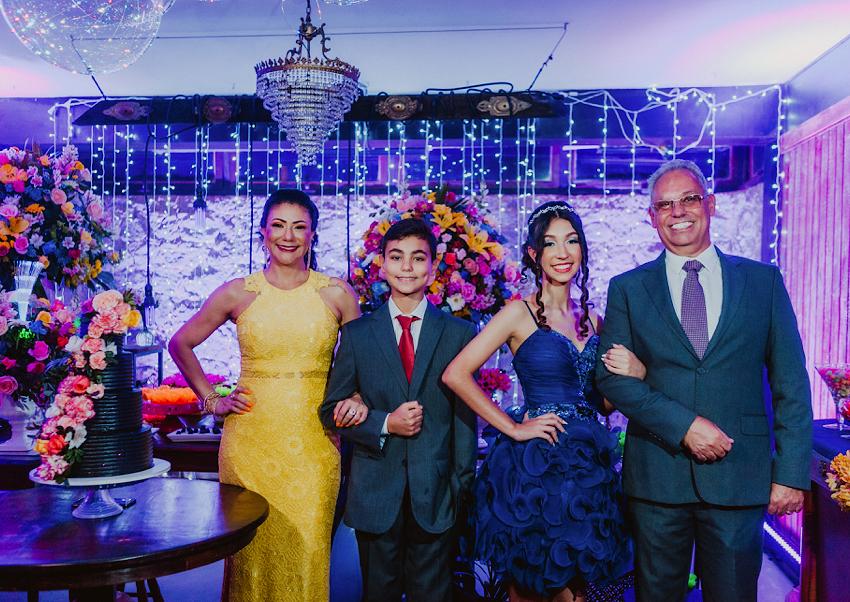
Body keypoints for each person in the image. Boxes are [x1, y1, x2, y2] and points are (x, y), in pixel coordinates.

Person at [595, 159, 813, 602]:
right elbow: (612, 380)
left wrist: (791, 474)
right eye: (664, 205)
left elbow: (791, 384)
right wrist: (685, 426)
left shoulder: (763, 282)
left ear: (710, 204)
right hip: (658, 478)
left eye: (689, 199)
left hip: (739, 475)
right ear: (652, 216)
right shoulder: (628, 289)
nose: (677, 212)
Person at [168, 189, 362, 602]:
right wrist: (212, 400)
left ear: (312, 235)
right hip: (250, 445)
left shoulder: (337, 294)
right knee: (249, 555)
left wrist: (354, 401)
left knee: (308, 552)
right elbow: (180, 343)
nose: (288, 236)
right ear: (262, 232)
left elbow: (360, 366)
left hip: (314, 444)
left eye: (299, 227)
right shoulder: (238, 293)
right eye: (278, 225)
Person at [443, 201, 637, 602]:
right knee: (534, 586)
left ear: (582, 249)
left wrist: (636, 373)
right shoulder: (518, 313)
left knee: (581, 590)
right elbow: (455, 373)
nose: (562, 252)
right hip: (537, 468)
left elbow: (602, 404)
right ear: (534, 254)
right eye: (550, 243)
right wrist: (513, 427)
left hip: (589, 470)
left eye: (571, 241)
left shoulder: (594, 320)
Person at [319, 217, 478, 602]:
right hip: (375, 493)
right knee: (379, 593)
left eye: (418, 258)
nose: (407, 267)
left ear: (433, 268)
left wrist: (459, 487)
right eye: (396, 257)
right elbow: (330, 410)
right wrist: (384, 423)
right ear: (383, 265)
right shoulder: (357, 334)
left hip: (436, 494)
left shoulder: (459, 333)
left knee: (433, 595)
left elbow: (464, 418)